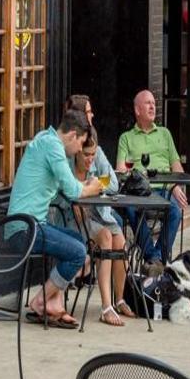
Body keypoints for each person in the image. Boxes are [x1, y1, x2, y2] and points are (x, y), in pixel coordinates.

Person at [7, 110, 101, 327]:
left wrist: (83, 187)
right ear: (72, 136)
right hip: (26, 229)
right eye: (80, 144)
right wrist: (93, 187)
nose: (79, 150)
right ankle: (41, 301)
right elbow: (73, 191)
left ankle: (53, 302)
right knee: (78, 253)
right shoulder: (53, 147)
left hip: (28, 224)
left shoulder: (45, 138)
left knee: (77, 242)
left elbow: (69, 186)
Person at [51, 126, 134, 326]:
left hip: (99, 213)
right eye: (86, 154)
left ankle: (119, 299)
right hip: (71, 218)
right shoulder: (66, 161)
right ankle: (106, 306)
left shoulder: (98, 156)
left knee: (121, 242)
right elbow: (57, 194)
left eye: (93, 154)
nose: (90, 159)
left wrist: (94, 185)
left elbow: (114, 183)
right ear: (77, 150)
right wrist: (78, 196)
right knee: (105, 236)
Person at [115, 90, 188, 270]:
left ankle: (154, 262)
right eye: (148, 103)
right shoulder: (126, 138)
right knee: (131, 209)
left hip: (164, 188)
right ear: (137, 110)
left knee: (175, 212)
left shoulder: (164, 133)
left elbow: (177, 166)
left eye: (154, 103)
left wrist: (176, 185)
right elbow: (120, 169)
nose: (152, 106)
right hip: (139, 191)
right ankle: (154, 259)